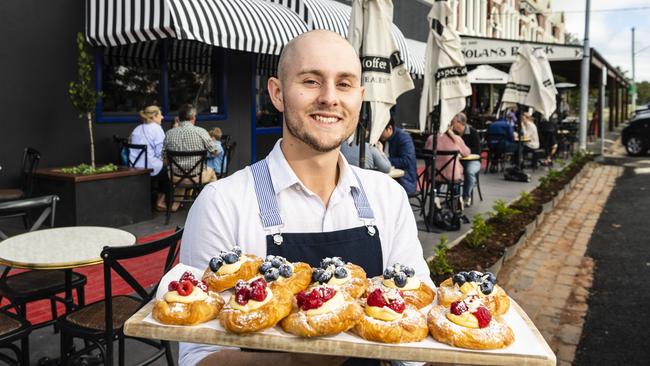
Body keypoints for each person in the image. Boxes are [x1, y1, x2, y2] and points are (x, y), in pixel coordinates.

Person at [179, 30, 433, 366]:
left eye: (344, 84)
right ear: (278, 93)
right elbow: (197, 357)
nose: (330, 98)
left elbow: (418, 325)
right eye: (311, 81)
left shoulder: (388, 196)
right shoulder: (222, 203)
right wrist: (296, 361)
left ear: (360, 96)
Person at [163, 104, 217, 211]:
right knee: (212, 174)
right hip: (197, 176)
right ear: (193, 117)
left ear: (179, 118)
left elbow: (164, 157)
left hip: (176, 177)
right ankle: (211, 205)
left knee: (181, 172)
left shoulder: (169, 133)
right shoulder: (201, 132)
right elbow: (214, 151)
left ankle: (175, 205)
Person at [130, 105, 167, 211]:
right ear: (154, 116)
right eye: (160, 115)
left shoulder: (137, 128)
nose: (163, 117)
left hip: (135, 166)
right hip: (150, 168)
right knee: (170, 171)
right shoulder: (156, 129)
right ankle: (160, 201)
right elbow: (161, 153)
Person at [379, 118, 417, 194]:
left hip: (404, 181)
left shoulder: (403, 138)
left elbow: (406, 160)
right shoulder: (382, 140)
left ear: (389, 129)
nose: (378, 134)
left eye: (380, 131)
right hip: (389, 178)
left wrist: (382, 159)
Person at [450, 113, 480, 206]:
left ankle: (466, 196)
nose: (451, 124)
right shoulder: (452, 133)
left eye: (453, 122)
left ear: (459, 123)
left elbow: (477, 150)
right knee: (450, 172)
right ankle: (455, 196)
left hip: (472, 160)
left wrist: (463, 151)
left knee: (469, 172)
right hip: (458, 161)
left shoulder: (472, 132)